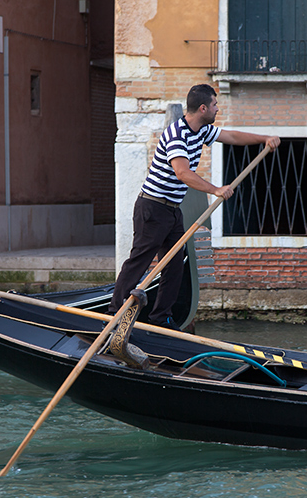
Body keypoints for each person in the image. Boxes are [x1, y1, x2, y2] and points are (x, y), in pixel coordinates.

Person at [109, 84, 281, 328]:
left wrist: (264, 139)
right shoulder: (177, 134)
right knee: (139, 260)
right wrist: (215, 190)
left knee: (174, 265)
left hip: (172, 210)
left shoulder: (201, 131)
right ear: (203, 108)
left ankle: (161, 318)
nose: (217, 109)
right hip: (153, 207)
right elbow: (182, 173)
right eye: (214, 105)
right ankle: (114, 314)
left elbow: (230, 136)